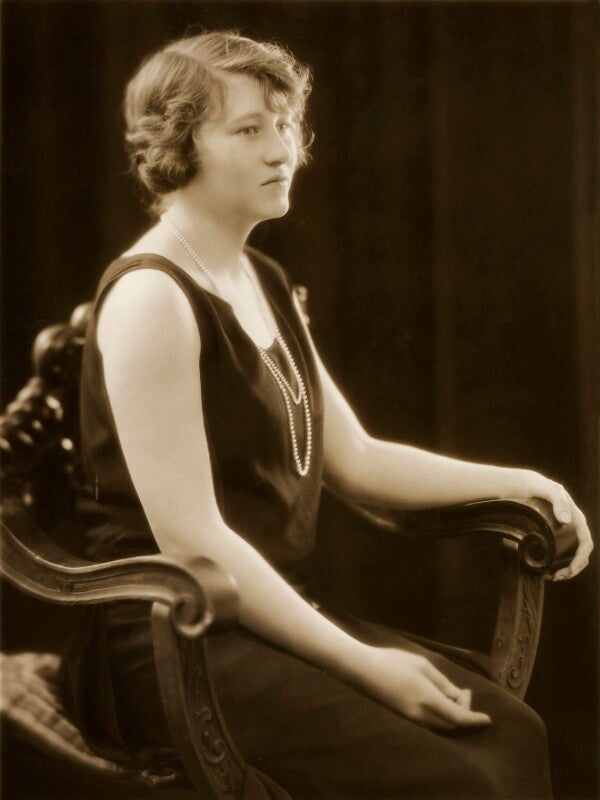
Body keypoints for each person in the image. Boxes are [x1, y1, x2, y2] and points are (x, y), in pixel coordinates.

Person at [61, 29, 593, 799]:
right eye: (249, 129)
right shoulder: (153, 297)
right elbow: (194, 543)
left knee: (513, 733)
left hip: (261, 615)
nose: (283, 150)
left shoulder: (259, 275)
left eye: (285, 124)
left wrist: (526, 482)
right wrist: (366, 666)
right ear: (179, 146)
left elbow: (357, 459)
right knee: (457, 776)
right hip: (169, 640)